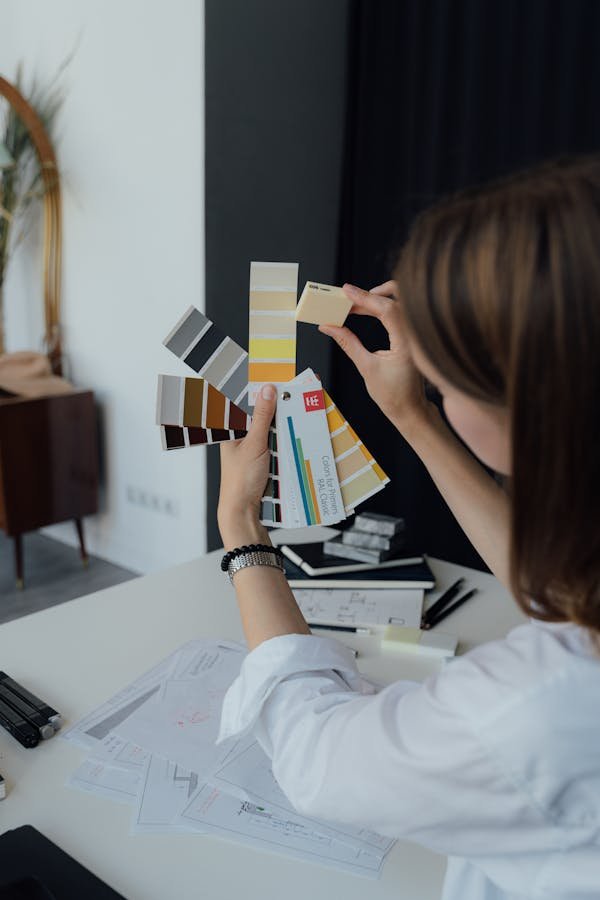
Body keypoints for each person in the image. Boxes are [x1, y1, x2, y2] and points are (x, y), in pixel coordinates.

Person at [216, 157, 600, 899]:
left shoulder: (538, 709)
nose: (436, 389)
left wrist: (241, 527)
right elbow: (563, 592)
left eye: (449, 384)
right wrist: (415, 414)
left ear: (533, 415)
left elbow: (316, 757)